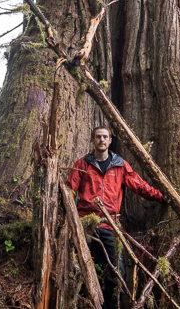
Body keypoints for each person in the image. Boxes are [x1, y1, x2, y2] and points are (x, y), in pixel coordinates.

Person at [67, 125, 164, 308]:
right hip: (85, 225)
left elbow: (139, 185)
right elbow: (70, 190)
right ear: (92, 140)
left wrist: (161, 195)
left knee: (117, 272)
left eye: (105, 137)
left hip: (110, 226)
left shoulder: (120, 165)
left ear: (110, 141)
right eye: (98, 137)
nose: (101, 140)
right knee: (79, 269)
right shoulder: (82, 164)